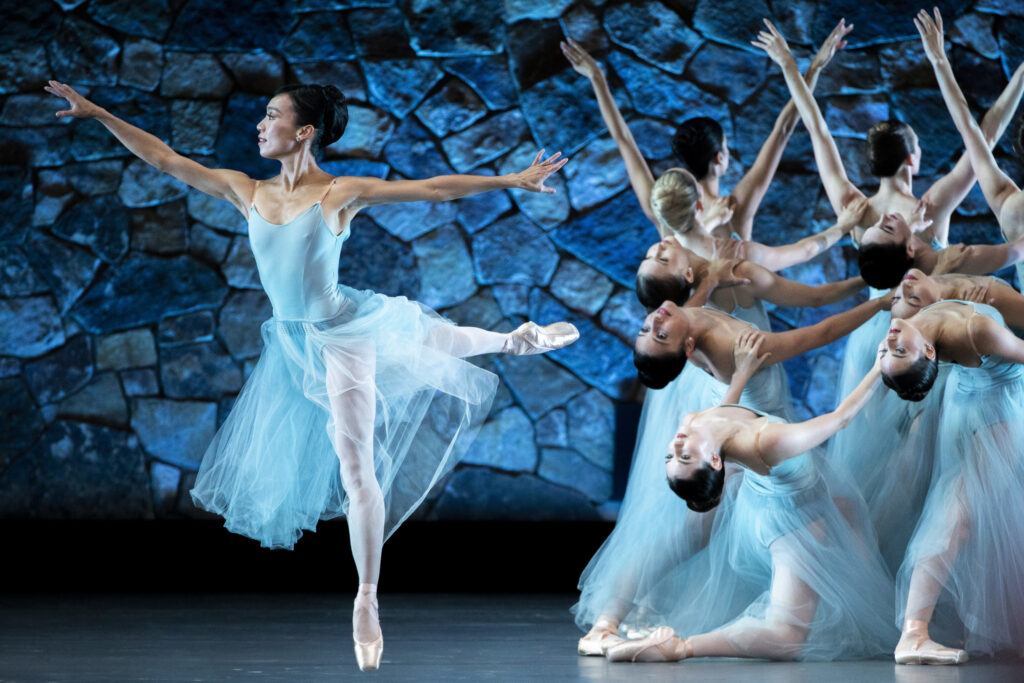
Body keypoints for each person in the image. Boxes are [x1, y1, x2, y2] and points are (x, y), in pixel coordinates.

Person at [45, 80, 578, 672]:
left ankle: (367, 597)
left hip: (342, 333)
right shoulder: (246, 190)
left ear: (303, 131)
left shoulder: (338, 193)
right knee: (420, 342)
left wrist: (511, 180)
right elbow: (166, 159)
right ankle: (512, 340)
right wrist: (98, 112)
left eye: (271, 115)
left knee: (360, 459)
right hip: (292, 342)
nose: (259, 124)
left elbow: (431, 188)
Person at [604, 339, 896, 662]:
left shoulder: (694, 424)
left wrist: (741, 373)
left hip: (773, 500)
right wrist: (878, 366)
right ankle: (681, 647)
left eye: (670, 457)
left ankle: (863, 617)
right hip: (791, 522)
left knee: (850, 514)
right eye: (684, 456)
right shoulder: (766, 442)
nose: (675, 446)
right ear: (715, 461)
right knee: (787, 636)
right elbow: (840, 419)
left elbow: (724, 413)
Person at [751, 17, 1024, 287]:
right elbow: (983, 138)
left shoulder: (854, 210)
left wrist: (794, 66)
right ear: (911, 159)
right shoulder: (930, 208)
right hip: (932, 312)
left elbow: (817, 130)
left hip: (882, 313)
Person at [561, 20, 852, 243]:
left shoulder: (664, 210)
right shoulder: (734, 208)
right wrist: (815, 68)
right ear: (718, 158)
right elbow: (783, 129)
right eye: (725, 148)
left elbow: (624, 140)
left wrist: (597, 78)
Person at [879, 301, 1024, 662]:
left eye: (888, 351)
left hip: (968, 406)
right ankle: (914, 632)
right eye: (898, 351)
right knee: (957, 512)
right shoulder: (976, 331)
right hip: (997, 412)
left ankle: (933, 626)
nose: (890, 341)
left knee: (970, 514)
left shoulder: (909, 320)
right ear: (929, 352)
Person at [916, 7, 1024, 289]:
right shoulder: (1012, 205)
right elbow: (976, 134)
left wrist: (940, 61)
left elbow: (972, 131)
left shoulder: (1011, 205)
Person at [636, 198, 868, 312]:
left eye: (648, 257)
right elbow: (815, 296)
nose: (658, 247)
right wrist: (869, 278)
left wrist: (712, 220)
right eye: (662, 259)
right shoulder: (740, 269)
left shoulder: (676, 288)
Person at [634, 291, 888, 390]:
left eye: (644, 330)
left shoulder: (678, 318)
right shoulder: (739, 345)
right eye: (661, 335)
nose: (654, 322)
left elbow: (692, 309)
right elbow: (822, 334)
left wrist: (710, 281)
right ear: (689, 346)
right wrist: (878, 303)